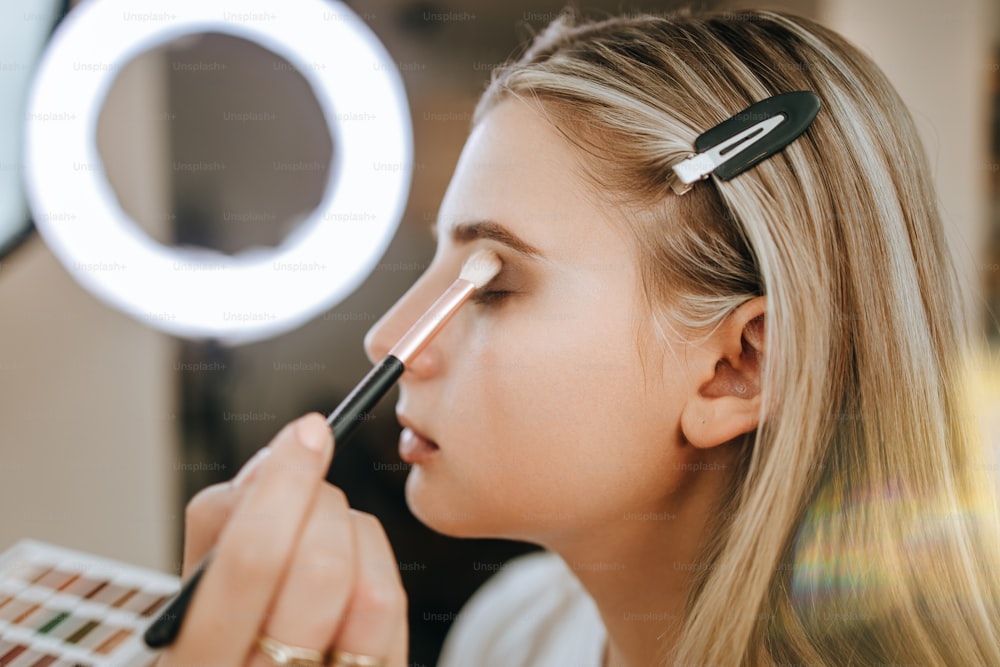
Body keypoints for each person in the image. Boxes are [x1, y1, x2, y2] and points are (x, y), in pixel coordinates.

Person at [157, 8, 1000, 667]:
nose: (389, 337)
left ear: (737, 369)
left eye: (489, 283)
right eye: (433, 264)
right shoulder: (515, 629)